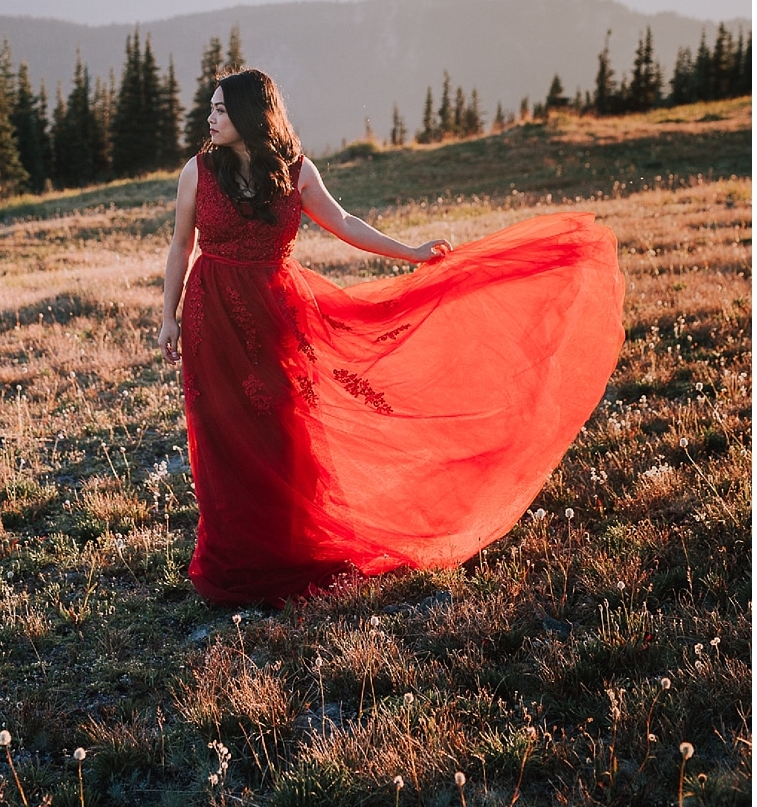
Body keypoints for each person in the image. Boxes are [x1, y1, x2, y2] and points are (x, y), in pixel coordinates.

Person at [156, 69, 623, 606]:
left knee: (284, 429)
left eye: (219, 110)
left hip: (279, 315)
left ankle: (285, 550)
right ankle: (234, 559)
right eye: (210, 109)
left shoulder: (296, 171)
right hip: (211, 312)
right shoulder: (197, 171)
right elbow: (179, 246)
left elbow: (348, 223)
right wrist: (169, 316)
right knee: (221, 433)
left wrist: (413, 252)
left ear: (249, 115)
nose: (209, 118)